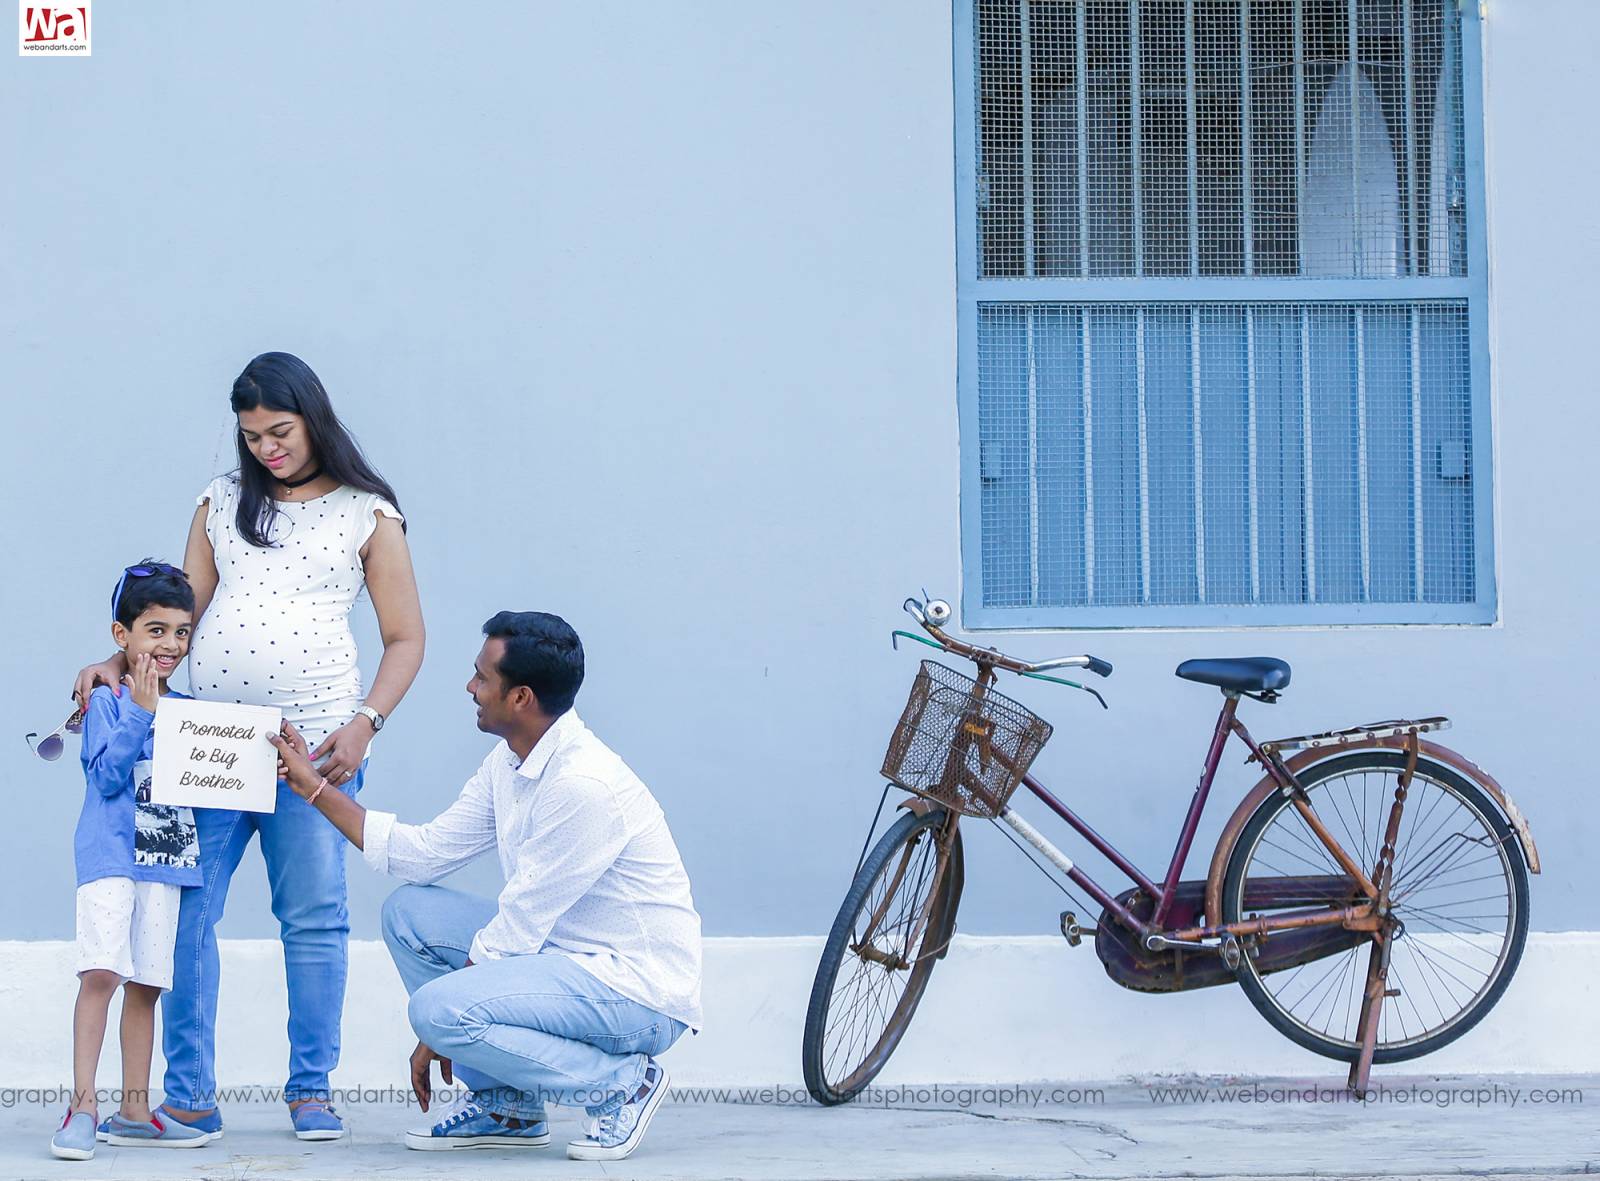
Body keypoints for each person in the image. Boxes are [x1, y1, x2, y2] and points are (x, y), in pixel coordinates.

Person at [71, 352, 426, 1142]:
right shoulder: (222, 500)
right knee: (186, 915)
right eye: (253, 434)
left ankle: (312, 1090)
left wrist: (366, 720)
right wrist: (114, 661)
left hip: (315, 748)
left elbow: (406, 637)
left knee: (314, 919)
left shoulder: (368, 513)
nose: (268, 448)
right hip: (209, 742)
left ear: (313, 419)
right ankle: (191, 1096)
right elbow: (177, 612)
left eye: (281, 431)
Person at [267, 611, 702, 1162]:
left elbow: (516, 931)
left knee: (439, 1010)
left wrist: (440, 1028)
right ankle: (508, 1106)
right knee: (410, 914)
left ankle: (621, 1086)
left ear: (520, 698)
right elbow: (422, 855)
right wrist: (313, 785)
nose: (470, 688)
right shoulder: (510, 761)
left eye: (481, 677)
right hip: (565, 961)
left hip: (635, 993)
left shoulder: (583, 786)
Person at [52, 563, 210, 1160]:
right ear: (122, 635)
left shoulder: (191, 711)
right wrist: (140, 710)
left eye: (181, 632)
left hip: (167, 859)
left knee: (146, 984)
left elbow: (210, 775)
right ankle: (82, 1107)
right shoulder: (106, 699)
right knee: (101, 974)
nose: (170, 644)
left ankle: (135, 1110)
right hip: (111, 856)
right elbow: (105, 777)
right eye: (156, 630)